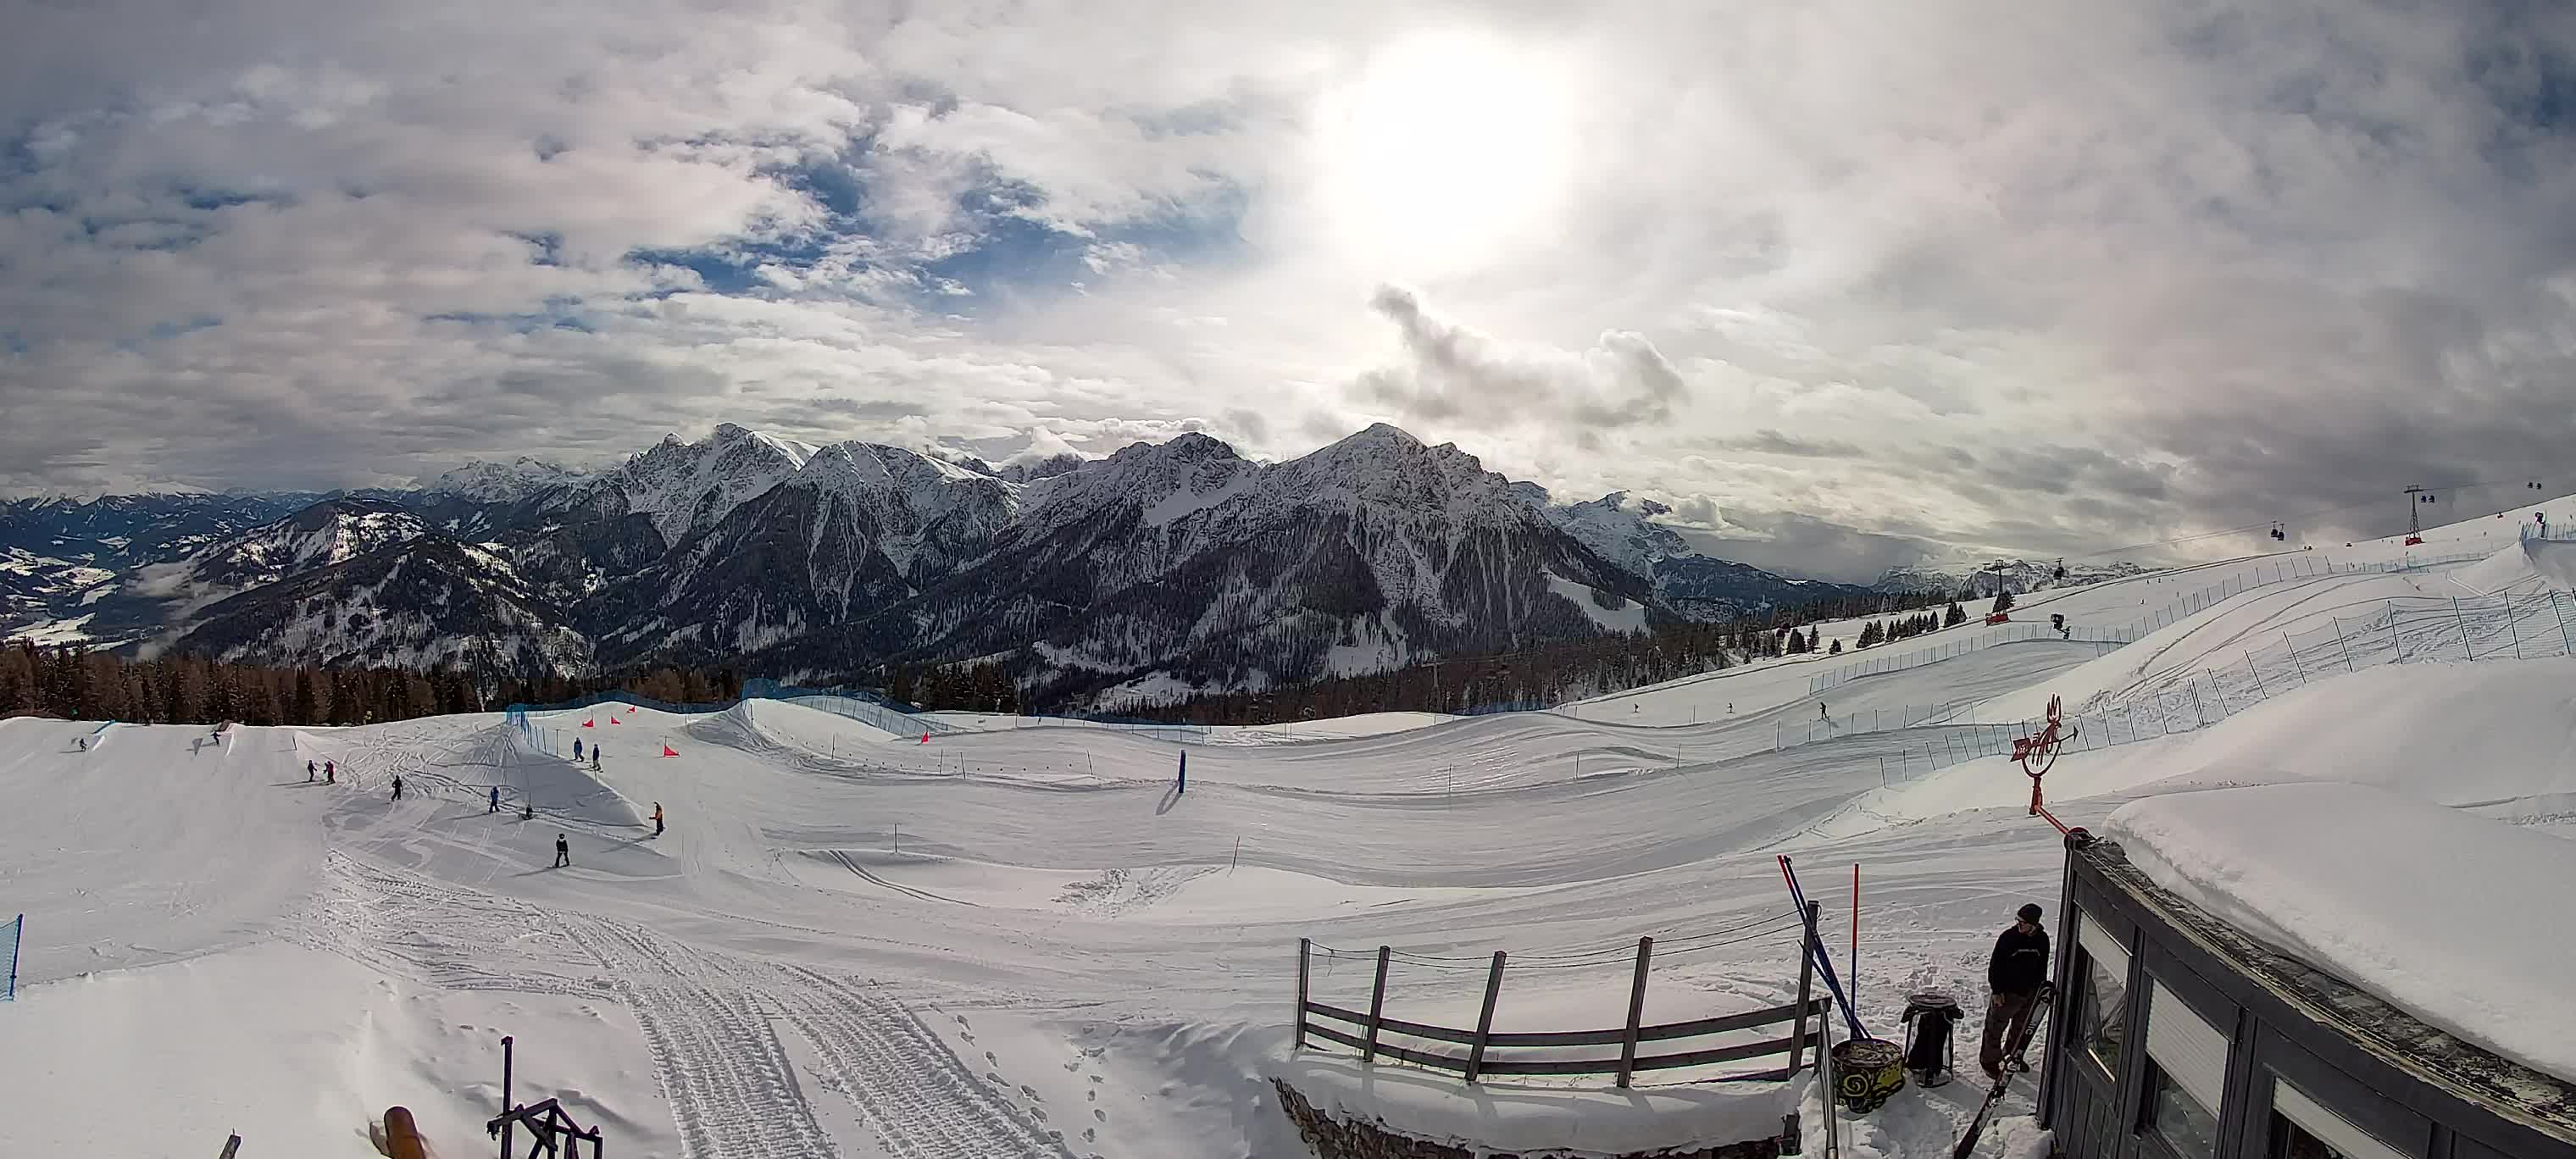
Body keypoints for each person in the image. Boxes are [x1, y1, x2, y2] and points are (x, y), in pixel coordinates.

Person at [1982, 903, 2052, 1079]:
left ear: (2034, 924)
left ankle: (2012, 1056)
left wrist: (2040, 990)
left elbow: (2042, 966)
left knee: (2020, 1029)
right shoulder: (2008, 938)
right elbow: (1995, 966)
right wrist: (1997, 991)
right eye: (2018, 920)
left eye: (2023, 922)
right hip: (2007, 994)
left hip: (2030, 994)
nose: (2018, 924)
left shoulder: (2042, 939)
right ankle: (1989, 1061)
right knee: (1995, 1028)